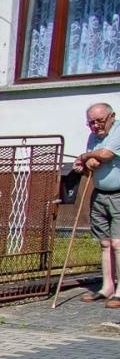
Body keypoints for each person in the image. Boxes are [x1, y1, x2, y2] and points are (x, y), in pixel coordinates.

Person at [72, 102, 120, 307]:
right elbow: (93, 162)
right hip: (99, 193)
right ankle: (107, 287)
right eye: (91, 123)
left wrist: (85, 156)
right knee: (104, 243)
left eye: (99, 121)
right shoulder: (93, 136)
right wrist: (81, 165)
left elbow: (106, 155)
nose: (95, 126)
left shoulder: (118, 130)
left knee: (119, 243)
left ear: (111, 117)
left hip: (119, 195)